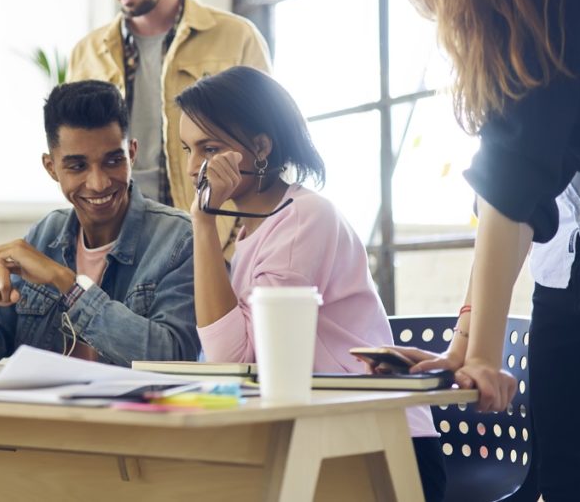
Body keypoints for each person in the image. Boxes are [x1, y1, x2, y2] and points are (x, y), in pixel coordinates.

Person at [347, 0, 580, 500]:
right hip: (577, 260)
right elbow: (512, 192)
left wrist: (483, 350)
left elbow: (515, 184)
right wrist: (466, 343)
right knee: (564, 465)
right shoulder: (518, 0)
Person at [176, 65, 445, 500]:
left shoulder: (302, 218)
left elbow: (234, 359)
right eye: (187, 149)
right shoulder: (255, 229)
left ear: (260, 147)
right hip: (326, 432)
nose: (193, 168)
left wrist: (203, 224)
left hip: (384, 446)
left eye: (209, 148)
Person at [68, 0, 271, 251]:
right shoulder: (86, 54)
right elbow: (75, 156)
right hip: (118, 249)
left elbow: (266, 152)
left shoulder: (235, 37)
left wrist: (230, 251)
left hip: (209, 245)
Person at [0, 80, 199, 366]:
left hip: (132, 411)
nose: (99, 182)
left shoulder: (180, 240)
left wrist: (67, 284)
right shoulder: (43, 236)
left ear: (132, 153)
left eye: (113, 161)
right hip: (48, 410)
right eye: (77, 166)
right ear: (51, 167)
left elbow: (175, 358)